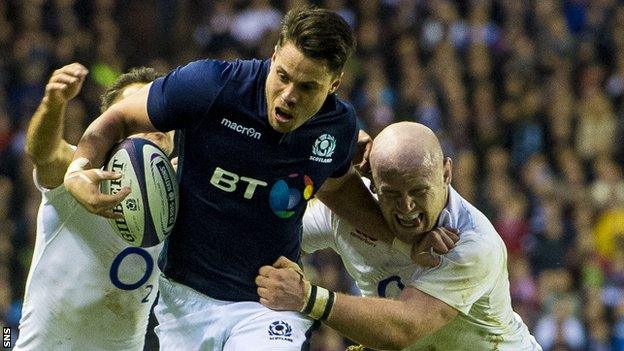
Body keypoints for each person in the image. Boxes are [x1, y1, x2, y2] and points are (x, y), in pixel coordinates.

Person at [63, 7, 449, 350]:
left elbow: (339, 190)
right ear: (274, 54)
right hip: (184, 297)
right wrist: (78, 169)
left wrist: (405, 239)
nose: (288, 96)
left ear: (334, 84)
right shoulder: (211, 87)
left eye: (308, 87)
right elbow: (117, 119)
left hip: (268, 304)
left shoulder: (338, 127)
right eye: (283, 76)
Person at [255, 122, 542, 350]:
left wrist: (308, 297)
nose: (406, 206)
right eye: (392, 193)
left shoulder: (471, 241)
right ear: (374, 182)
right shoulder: (346, 213)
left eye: (418, 191)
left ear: (446, 173)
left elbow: (403, 327)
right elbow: (270, 241)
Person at [15, 63, 173, 350]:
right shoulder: (82, 175)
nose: (152, 121)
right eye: (135, 113)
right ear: (111, 126)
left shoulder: (186, 193)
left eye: (159, 112)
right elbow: (43, 152)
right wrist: (54, 103)